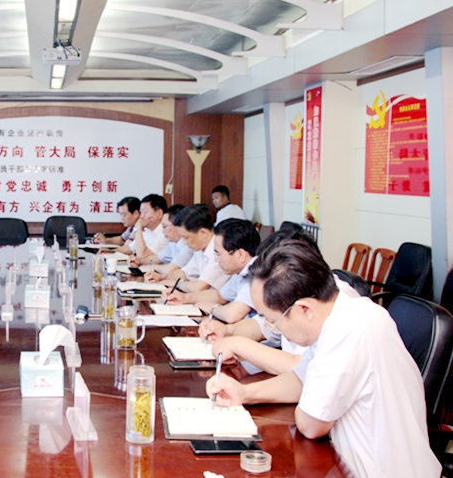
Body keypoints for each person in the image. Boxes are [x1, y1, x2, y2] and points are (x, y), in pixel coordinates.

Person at [206, 240, 441, 478]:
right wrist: (244, 393)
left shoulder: (346, 330)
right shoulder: (340, 312)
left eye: (273, 320)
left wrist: (307, 398)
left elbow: (311, 424)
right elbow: (300, 378)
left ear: (304, 309)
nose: (272, 328)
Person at [163, 219, 260, 324]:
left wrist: (212, 308)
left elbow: (231, 315)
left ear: (240, 255)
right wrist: (184, 298)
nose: (217, 260)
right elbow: (220, 296)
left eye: (219, 254)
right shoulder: (241, 272)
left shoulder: (258, 274)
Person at [146, 204, 230, 293]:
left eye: (186, 238)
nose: (185, 242)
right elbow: (185, 273)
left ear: (203, 233)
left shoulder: (219, 252)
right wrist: (162, 277)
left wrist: (174, 283)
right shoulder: (200, 248)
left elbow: (198, 287)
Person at [116, 194, 169, 259]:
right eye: (141, 212)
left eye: (145, 212)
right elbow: (130, 248)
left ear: (159, 214)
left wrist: (138, 227)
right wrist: (110, 251)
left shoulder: (165, 233)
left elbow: (142, 255)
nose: (141, 216)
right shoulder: (147, 230)